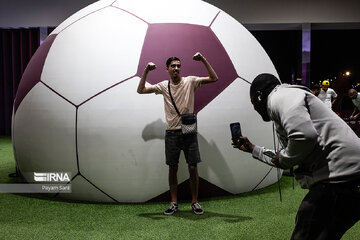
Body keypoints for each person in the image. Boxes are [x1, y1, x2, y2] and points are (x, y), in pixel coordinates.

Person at [233, 73, 360, 240]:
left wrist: (284, 160)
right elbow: (289, 151)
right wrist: (254, 149)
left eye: (253, 103)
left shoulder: (279, 97)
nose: (255, 109)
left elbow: (303, 137)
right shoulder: (288, 100)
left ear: (259, 96)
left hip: (338, 176)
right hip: (351, 176)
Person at [137, 52, 218, 215]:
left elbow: (214, 78)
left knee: (193, 167)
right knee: (172, 168)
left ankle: (195, 202)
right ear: (167, 69)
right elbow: (141, 90)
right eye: (173, 66)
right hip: (171, 133)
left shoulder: (190, 81)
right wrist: (146, 71)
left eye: (178, 66)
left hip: (189, 132)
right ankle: (174, 203)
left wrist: (203, 59)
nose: (176, 68)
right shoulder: (162, 86)